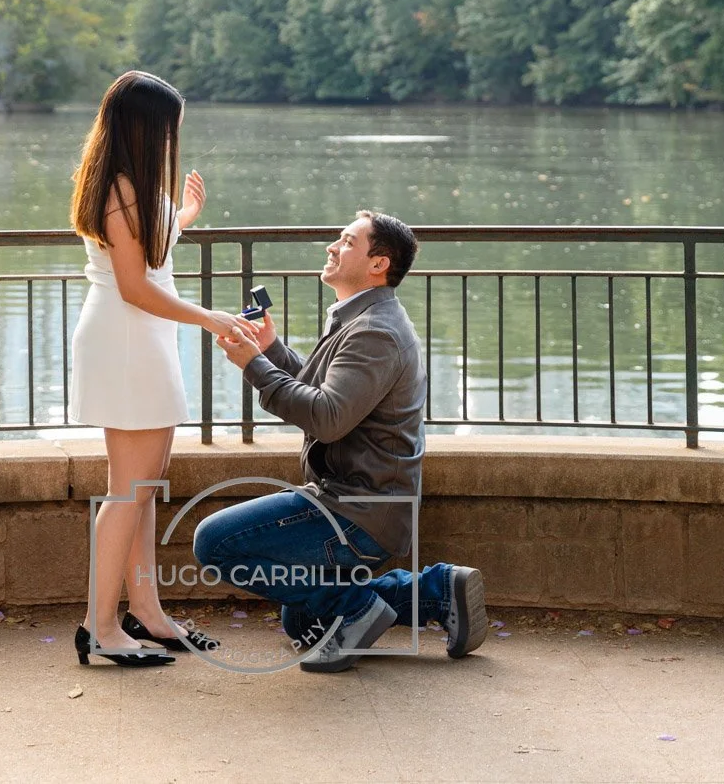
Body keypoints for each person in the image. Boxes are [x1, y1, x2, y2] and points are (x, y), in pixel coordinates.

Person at [193, 209, 488, 673]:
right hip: (352, 498)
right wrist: (271, 349)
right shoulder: (364, 317)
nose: (333, 246)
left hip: (358, 510)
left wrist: (254, 365)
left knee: (214, 543)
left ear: (378, 264)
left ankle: (358, 607)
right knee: (303, 622)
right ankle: (433, 591)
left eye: (348, 242)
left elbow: (327, 419)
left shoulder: (375, 332)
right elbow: (328, 399)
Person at [68, 69, 260, 667]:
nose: (173, 140)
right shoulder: (121, 193)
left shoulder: (130, 189)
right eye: (169, 129)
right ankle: (100, 626)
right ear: (146, 130)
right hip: (128, 338)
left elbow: (149, 249)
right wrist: (209, 317)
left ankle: (145, 614)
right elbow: (134, 287)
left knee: (143, 487)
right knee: (129, 491)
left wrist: (184, 216)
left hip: (140, 340)